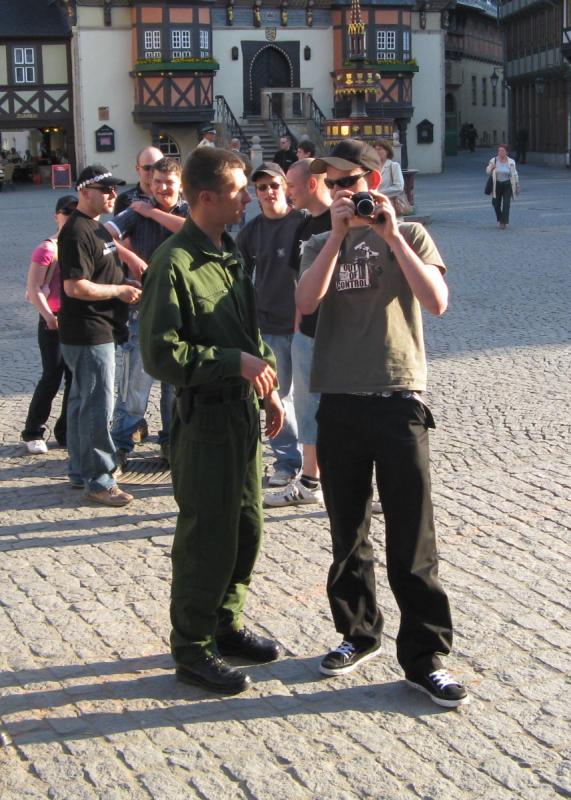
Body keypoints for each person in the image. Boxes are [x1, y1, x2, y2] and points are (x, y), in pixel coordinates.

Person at [296, 139, 469, 708]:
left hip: (398, 397)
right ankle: (358, 633)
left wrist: (391, 233)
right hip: (340, 398)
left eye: (349, 182)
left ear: (372, 180)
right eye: (332, 184)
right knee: (348, 532)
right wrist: (339, 237)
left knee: (412, 533)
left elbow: (437, 301)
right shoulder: (321, 241)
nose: (341, 192)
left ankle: (425, 657)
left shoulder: (411, 234)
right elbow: (305, 302)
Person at [139, 147, 285, 694]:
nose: (247, 197)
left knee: (247, 527)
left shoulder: (229, 254)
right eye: (238, 190)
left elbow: (251, 337)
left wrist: (265, 382)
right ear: (206, 198)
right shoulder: (174, 263)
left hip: (243, 417)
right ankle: (193, 648)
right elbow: (160, 354)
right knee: (207, 537)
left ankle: (225, 624)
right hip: (204, 423)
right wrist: (233, 364)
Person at [58, 165, 141, 507]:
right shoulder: (76, 231)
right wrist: (119, 291)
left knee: (82, 402)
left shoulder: (97, 229)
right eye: (105, 189)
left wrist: (127, 281)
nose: (112, 194)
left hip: (99, 328)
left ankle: (80, 469)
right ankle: (100, 479)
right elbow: (75, 286)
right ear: (84, 191)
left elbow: (106, 269)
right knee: (96, 406)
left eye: (113, 189)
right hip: (89, 332)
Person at [105, 157, 188, 465]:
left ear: (180, 184)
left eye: (168, 183)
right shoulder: (134, 212)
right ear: (149, 184)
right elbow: (101, 236)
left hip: (180, 310)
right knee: (135, 383)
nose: (162, 188)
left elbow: (198, 231)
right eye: (156, 183)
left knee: (173, 384)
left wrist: (153, 212)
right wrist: (128, 256)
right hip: (142, 309)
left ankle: (170, 442)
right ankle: (121, 444)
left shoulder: (186, 211)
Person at [264, 158, 331, 507]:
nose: (286, 191)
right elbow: (297, 283)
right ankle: (310, 481)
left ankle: (362, 484)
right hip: (305, 332)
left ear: (312, 184)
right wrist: (296, 331)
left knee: (345, 410)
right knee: (307, 408)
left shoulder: (342, 221)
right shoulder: (303, 226)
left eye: (290, 185)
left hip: (338, 335)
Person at [236, 162, 305, 486]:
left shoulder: (302, 222)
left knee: (312, 396)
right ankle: (287, 461)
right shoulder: (252, 231)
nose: (268, 192)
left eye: (273, 185)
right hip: (270, 326)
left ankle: (316, 460)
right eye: (261, 188)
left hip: (306, 324)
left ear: (285, 187)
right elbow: (238, 277)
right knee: (277, 395)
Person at [21, 195, 77, 454]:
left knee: (74, 377)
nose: (71, 216)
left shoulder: (78, 245)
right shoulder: (47, 248)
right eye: (67, 211)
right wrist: (49, 318)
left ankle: (66, 430)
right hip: (52, 322)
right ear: (56, 215)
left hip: (76, 321)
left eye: (76, 211)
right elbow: (33, 289)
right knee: (51, 377)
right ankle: (33, 431)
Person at [113, 146, 164, 215]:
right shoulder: (125, 199)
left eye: (158, 167)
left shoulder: (172, 196)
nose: (153, 172)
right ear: (138, 169)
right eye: (147, 168)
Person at [486, 144, 520, 230]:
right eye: (499, 151)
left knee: (506, 204)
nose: (500, 152)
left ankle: (503, 222)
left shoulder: (511, 161)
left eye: (502, 151)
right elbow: (487, 171)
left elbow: (515, 173)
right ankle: (500, 218)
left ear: (506, 152)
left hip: (507, 184)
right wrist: (491, 168)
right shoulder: (493, 160)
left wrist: (517, 184)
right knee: (495, 204)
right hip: (496, 184)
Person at [373, 139, 405, 210]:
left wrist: (377, 193)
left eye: (379, 149)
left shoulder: (393, 166)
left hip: (389, 204)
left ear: (387, 151)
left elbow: (399, 187)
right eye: (375, 149)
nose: (377, 152)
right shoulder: (371, 168)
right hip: (373, 205)